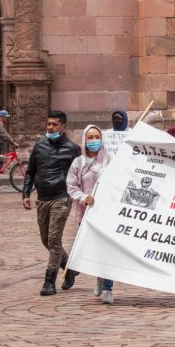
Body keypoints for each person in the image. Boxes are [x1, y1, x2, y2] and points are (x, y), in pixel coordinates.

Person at [22, 110, 82, 296]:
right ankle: (70, 268)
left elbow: (78, 173)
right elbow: (31, 171)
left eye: (55, 124)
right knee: (46, 240)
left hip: (61, 198)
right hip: (42, 198)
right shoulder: (39, 146)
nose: (50, 127)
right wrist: (26, 193)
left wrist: (75, 195)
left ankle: (49, 281)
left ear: (63, 126)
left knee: (54, 239)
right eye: (49, 124)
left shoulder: (72, 149)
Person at [66, 125, 114, 304]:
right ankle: (100, 279)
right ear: (85, 140)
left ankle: (108, 287)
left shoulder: (109, 159)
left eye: (97, 137)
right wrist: (83, 197)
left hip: (106, 214)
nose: (94, 141)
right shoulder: (78, 163)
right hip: (85, 215)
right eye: (90, 137)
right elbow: (71, 186)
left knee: (107, 251)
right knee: (94, 251)